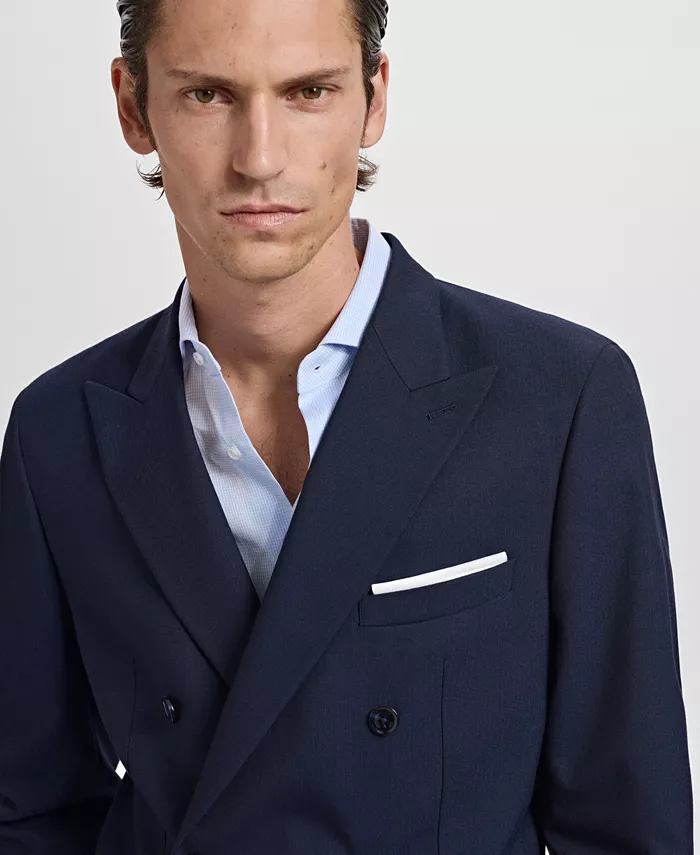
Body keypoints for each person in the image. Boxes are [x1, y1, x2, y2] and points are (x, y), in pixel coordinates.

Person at [0, 0, 693, 852]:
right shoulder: (59, 432)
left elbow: (628, 824)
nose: (260, 158)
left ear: (374, 97)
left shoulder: (560, 400)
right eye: (209, 94)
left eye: (308, 92)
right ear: (132, 107)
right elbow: (29, 812)